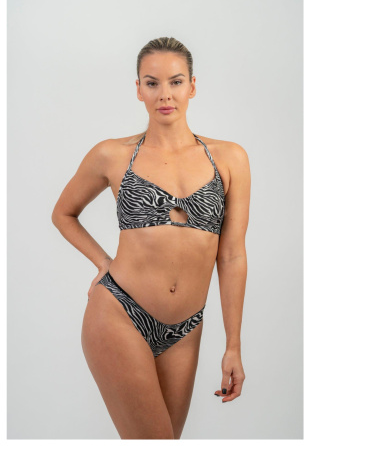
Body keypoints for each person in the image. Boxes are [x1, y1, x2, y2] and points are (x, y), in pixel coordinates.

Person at [51, 36, 251, 439]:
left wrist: (233, 345)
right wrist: (103, 263)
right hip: (119, 313)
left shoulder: (230, 158)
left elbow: (231, 256)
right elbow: (63, 214)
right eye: (152, 83)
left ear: (192, 86)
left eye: (176, 82)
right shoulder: (113, 155)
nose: (165, 94)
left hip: (185, 330)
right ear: (139, 89)